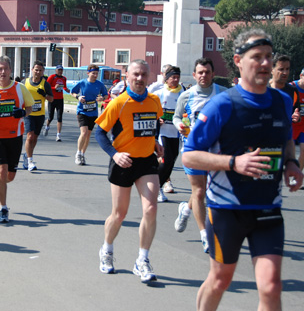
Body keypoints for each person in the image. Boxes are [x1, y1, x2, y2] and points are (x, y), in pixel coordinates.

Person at [181, 28, 304, 310]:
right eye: (256, 57)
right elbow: (189, 157)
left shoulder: (282, 101)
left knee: (271, 287)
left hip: (267, 208)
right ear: (238, 60)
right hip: (227, 209)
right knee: (220, 279)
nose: (264, 63)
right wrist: (234, 163)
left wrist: (291, 163)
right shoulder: (222, 105)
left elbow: (286, 137)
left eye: (269, 57)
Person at [95, 59, 164, 283]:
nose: (140, 78)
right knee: (119, 214)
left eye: (144, 74)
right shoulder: (119, 102)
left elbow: (151, 125)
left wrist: (155, 143)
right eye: (135, 74)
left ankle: (142, 260)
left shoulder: (154, 101)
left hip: (146, 162)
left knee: (151, 208)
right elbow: (99, 133)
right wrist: (115, 154)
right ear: (127, 77)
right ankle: (107, 250)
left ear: (149, 76)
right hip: (123, 162)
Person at [173, 58, 227, 253]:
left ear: (213, 74)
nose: (203, 75)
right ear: (194, 75)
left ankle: (185, 210)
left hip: (216, 150)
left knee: (204, 191)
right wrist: (179, 124)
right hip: (192, 149)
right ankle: (205, 234)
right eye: (200, 72)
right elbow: (177, 115)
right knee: (199, 192)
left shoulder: (223, 94)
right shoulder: (186, 95)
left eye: (207, 72)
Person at [0, 55, 34, 223]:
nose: (2, 72)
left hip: (15, 136)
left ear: (10, 70)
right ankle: (3, 208)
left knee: (9, 177)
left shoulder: (20, 88)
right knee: (2, 172)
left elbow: (30, 107)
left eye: (5, 69)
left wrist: (23, 112)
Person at [149, 66, 185, 202]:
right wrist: (157, 118)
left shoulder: (183, 92)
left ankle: (158, 184)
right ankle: (156, 188)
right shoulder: (159, 93)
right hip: (162, 132)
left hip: (176, 133)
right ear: (167, 78)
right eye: (173, 77)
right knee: (166, 159)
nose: (175, 80)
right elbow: (150, 109)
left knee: (172, 161)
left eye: (177, 77)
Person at [70, 65, 108, 165]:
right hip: (82, 111)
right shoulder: (82, 83)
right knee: (84, 132)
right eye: (93, 73)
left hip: (93, 112)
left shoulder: (99, 84)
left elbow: (106, 94)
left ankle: (83, 154)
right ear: (88, 73)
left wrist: (102, 99)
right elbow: (72, 92)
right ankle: (78, 153)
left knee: (88, 135)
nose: (95, 75)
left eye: (96, 73)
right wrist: (78, 97)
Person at [22, 61, 53, 171]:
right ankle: (30, 161)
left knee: (34, 138)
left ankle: (27, 155)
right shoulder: (25, 82)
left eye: (40, 70)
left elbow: (51, 99)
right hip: (28, 113)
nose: (38, 72)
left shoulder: (45, 84)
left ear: (43, 71)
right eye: (36, 70)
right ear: (32, 70)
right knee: (29, 136)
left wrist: (44, 94)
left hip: (40, 114)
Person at [269, 54, 300, 125]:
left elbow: (297, 113)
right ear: (271, 70)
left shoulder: (293, 91)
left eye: (287, 69)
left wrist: (297, 117)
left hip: (285, 134)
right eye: (281, 69)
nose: (285, 73)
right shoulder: (261, 90)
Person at [44, 65, 70, 142]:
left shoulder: (64, 78)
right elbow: (46, 87)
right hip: (52, 99)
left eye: (61, 70)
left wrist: (67, 90)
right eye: (59, 70)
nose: (60, 71)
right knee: (50, 117)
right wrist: (53, 88)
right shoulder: (52, 77)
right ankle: (47, 126)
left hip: (60, 99)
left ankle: (58, 135)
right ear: (56, 70)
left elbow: (64, 87)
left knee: (59, 117)